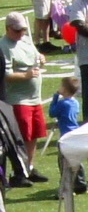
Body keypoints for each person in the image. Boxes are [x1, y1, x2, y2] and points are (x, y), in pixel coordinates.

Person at [0, 12, 47, 184]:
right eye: (17, 31)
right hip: (18, 98)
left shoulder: (26, 40)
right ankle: (18, 172)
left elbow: (35, 56)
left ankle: (29, 167)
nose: (21, 34)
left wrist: (41, 58)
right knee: (21, 136)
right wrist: (26, 75)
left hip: (35, 97)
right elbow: (6, 75)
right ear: (8, 29)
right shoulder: (4, 46)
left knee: (34, 134)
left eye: (23, 30)